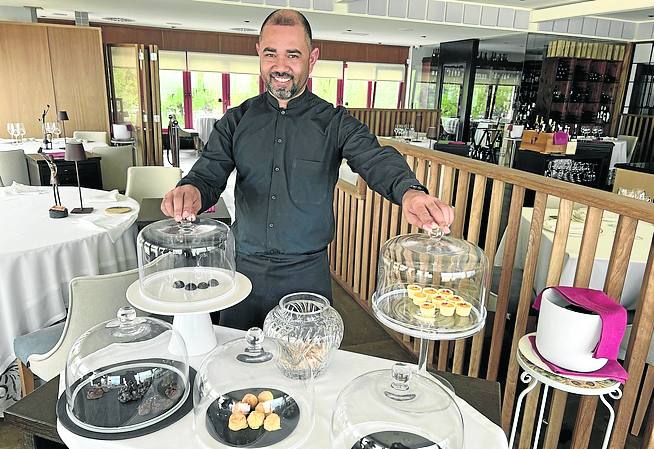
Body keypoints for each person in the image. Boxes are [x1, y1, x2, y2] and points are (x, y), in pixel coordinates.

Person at [161, 9, 454, 330]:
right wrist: (189, 191)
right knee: (234, 366)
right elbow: (207, 175)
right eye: (271, 53)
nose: (280, 66)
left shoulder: (335, 122)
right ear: (259, 51)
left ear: (312, 58)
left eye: (293, 55)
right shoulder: (236, 119)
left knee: (305, 368)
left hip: (306, 273)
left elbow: (376, 158)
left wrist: (410, 193)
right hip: (242, 267)